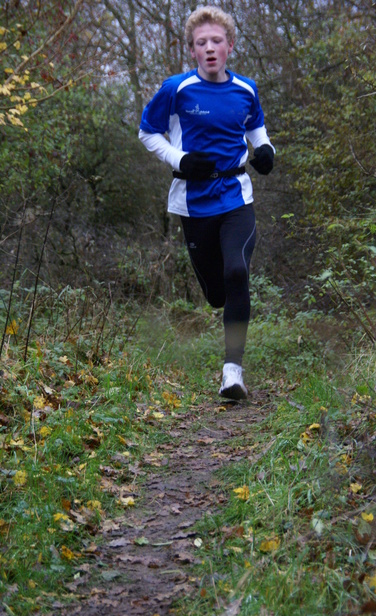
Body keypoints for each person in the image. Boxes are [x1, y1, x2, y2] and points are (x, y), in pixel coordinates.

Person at [139, 5, 274, 400]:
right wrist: (180, 159)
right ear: (193, 51)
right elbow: (148, 133)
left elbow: (258, 134)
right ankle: (222, 306)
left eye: (217, 41)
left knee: (237, 272)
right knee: (217, 293)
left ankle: (233, 372)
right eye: (202, 43)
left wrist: (266, 152)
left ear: (230, 46)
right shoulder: (176, 89)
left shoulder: (246, 90)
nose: (210, 48)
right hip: (193, 203)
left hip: (235, 195)